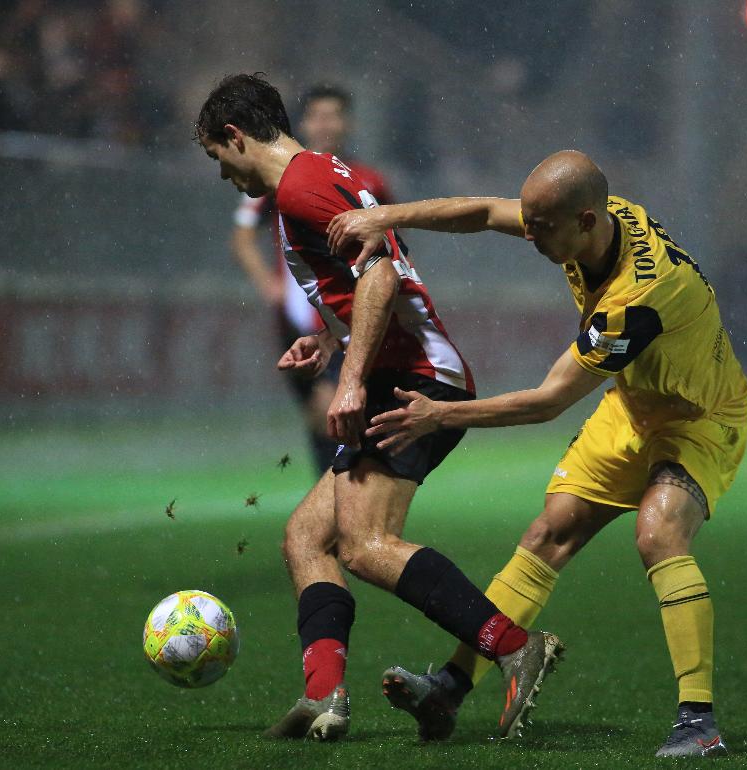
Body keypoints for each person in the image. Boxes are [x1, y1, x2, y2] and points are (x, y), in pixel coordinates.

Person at [327, 150, 747, 757]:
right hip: (632, 408)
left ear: (584, 220)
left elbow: (549, 400)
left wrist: (439, 416)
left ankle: (698, 722)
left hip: (699, 420)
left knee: (658, 535)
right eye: (529, 219)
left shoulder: (639, 300)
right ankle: (448, 688)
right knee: (546, 535)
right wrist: (384, 217)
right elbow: (481, 212)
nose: (528, 233)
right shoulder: (593, 221)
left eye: (541, 225)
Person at [195, 73, 564, 742]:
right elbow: (371, 279)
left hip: (416, 378)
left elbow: (384, 275)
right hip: (400, 366)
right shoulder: (313, 177)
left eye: (217, 158)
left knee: (365, 547)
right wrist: (329, 338)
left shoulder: (302, 189)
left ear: (235, 136)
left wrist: (351, 379)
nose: (222, 174)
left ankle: (513, 646)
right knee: (307, 537)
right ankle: (324, 697)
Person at [229, 84, 393, 474]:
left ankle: (341, 502)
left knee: (331, 406)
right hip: (294, 319)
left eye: (334, 115)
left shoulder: (369, 179)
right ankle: (340, 499)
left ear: (348, 123)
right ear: (303, 122)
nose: (326, 124)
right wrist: (269, 285)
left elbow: (394, 242)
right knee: (318, 413)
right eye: (318, 115)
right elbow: (241, 235)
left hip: (343, 315)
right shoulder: (280, 175)